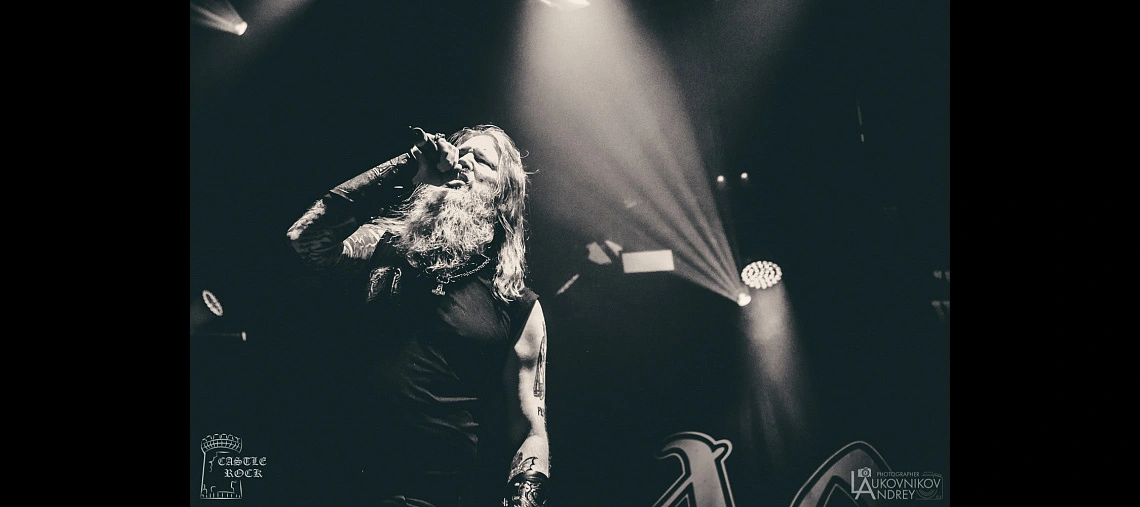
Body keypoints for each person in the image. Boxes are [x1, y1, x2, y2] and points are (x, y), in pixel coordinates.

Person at [285, 125, 550, 507]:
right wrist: (408, 165)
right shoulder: (384, 243)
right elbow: (304, 239)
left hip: (431, 494)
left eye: (481, 160)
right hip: (337, 477)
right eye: (461, 152)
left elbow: (529, 429)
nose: (463, 161)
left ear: (503, 195)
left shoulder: (516, 302)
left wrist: (525, 498)